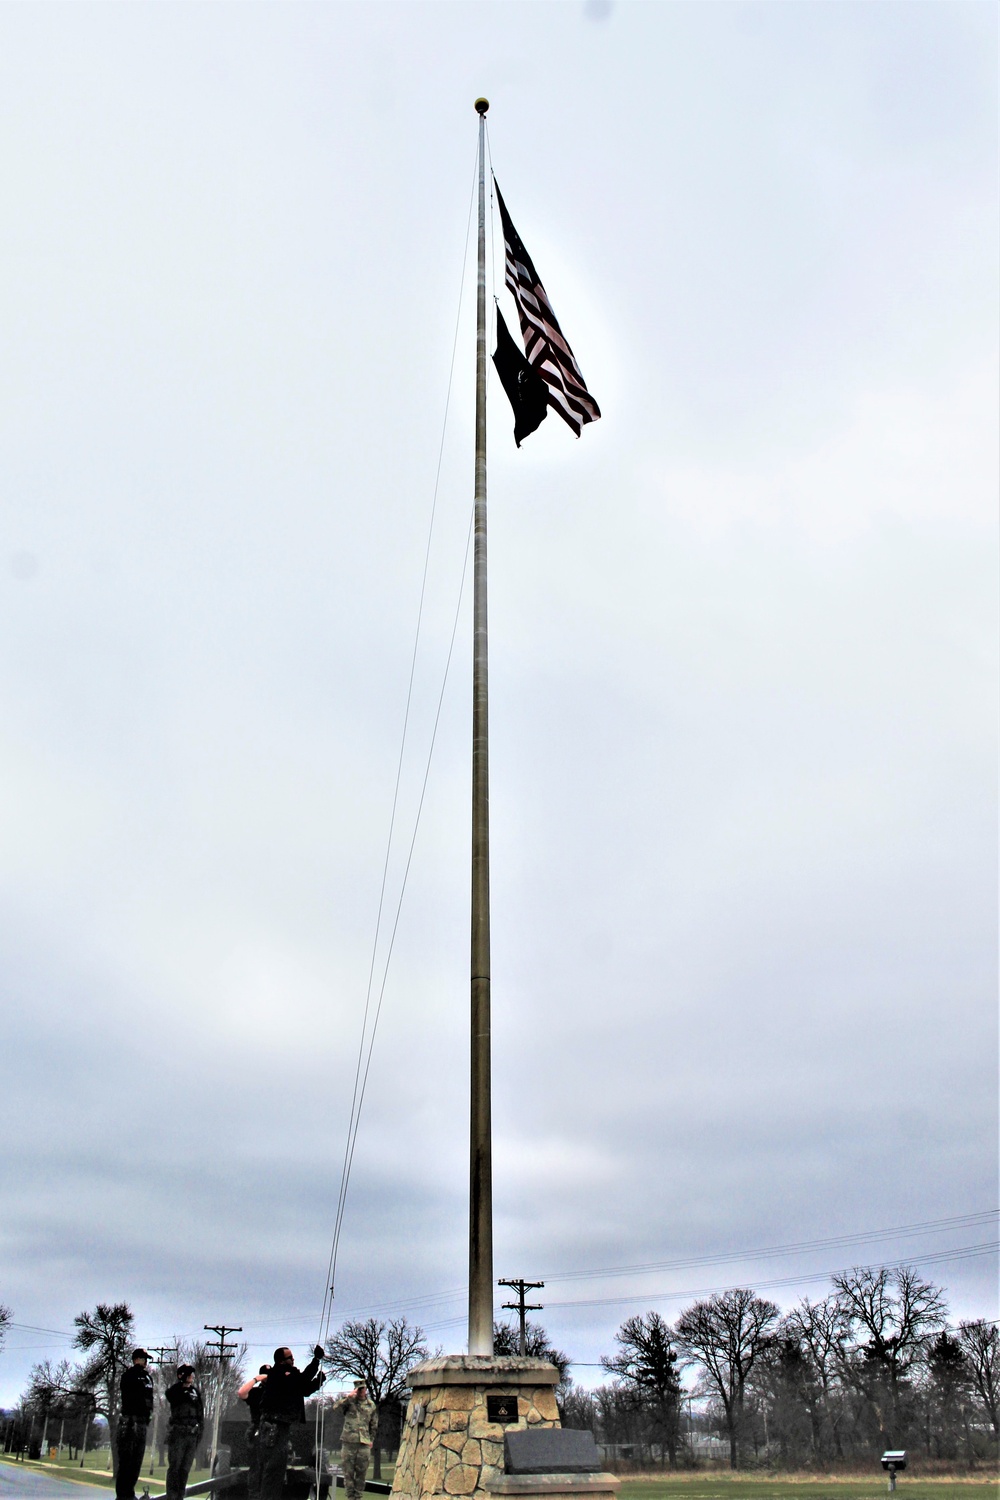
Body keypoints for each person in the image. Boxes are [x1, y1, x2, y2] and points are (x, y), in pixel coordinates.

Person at [256, 1346, 325, 1500]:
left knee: (278, 1471)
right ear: (282, 1361)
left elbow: (303, 1389)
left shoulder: (288, 1377)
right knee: (273, 1470)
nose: (293, 1360)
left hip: (282, 1427)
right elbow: (301, 1380)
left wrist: (318, 1381)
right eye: (290, 1357)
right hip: (275, 1428)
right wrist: (316, 1361)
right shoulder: (279, 1373)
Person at [116, 1349, 154, 1500]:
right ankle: (123, 1496)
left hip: (142, 1422)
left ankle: (130, 1493)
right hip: (130, 1423)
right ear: (137, 1359)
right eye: (144, 1358)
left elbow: (150, 1400)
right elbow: (130, 1396)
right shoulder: (128, 1375)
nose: (146, 1362)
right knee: (126, 1462)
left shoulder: (148, 1378)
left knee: (136, 1463)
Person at [164, 1365, 204, 1500]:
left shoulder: (195, 1392)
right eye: (189, 1374)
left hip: (192, 1434)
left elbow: (200, 1414)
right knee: (175, 1467)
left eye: (192, 1374)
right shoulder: (175, 1391)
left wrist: (199, 1433)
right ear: (182, 1375)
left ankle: (180, 1495)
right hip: (178, 1434)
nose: (192, 1376)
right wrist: (183, 1388)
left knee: (185, 1468)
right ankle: (172, 1496)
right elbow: (171, 1397)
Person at [332, 1381, 378, 1500]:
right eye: (358, 1389)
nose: (361, 1391)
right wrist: (348, 1396)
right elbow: (335, 1407)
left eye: (362, 1388)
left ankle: (358, 1497)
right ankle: (350, 1497)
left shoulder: (370, 1405)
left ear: (366, 1389)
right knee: (348, 1474)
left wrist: (371, 1439)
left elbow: (374, 1424)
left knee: (361, 1474)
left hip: (363, 1444)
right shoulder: (349, 1402)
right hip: (348, 1443)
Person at [237, 1364, 272, 1500]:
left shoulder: (278, 1391)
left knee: (272, 1470)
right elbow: (241, 1393)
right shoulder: (256, 1392)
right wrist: (256, 1380)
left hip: (275, 1432)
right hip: (259, 1430)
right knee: (257, 1469)